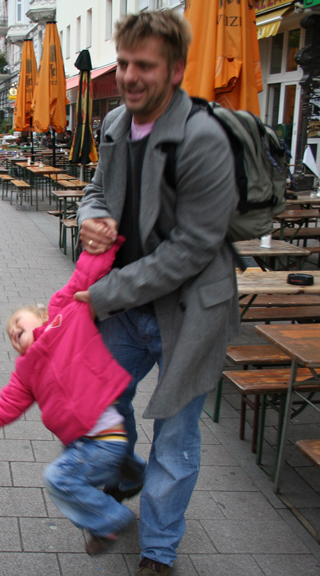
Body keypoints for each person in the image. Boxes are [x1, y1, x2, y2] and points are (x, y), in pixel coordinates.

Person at [75, 12, 239, 575]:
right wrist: (92, 217)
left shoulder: (205, 138)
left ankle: (159, 550)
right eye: (123, 63)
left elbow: (191, 249)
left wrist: (105, 292)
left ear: (175, 70)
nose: (129, 76)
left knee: (176, 436)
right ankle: (125, 474)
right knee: (101, 406)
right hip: (125, 310)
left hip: (189, 312)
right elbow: (97, 189)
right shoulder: (115, 123)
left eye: (143, 65)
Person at [0, 240, 133, 555]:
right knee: (78, 470)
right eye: (10, 335)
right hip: (81, 442)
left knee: (59, 480)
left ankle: (111, 519)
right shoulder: (26, 369)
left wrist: (101, 246)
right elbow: (6, 405)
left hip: (102, 435)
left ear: (42, 314)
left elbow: (82, 277)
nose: (13, 331)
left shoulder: (66, 315)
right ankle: (133, 472)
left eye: (17, 322)